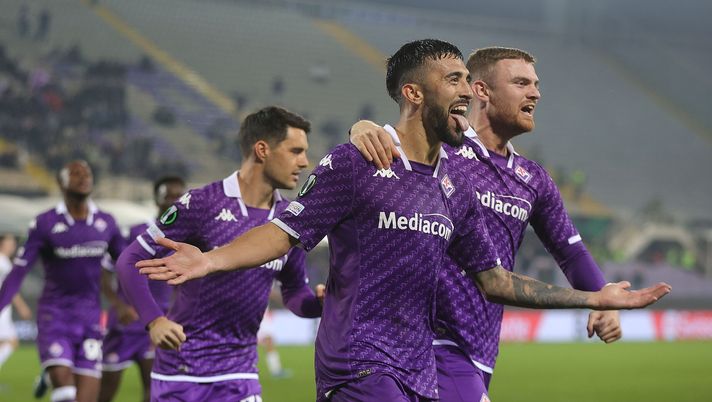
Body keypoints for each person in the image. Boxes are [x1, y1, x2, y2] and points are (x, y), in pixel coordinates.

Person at [136, 40, 671, 402]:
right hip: (364, 363)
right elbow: (284, 233)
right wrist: (209, 260)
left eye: (467, 79)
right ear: (418, 93)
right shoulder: (366, 159)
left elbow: (498, 281)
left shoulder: (457, 185)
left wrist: (596, 297)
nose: (467, 91)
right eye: (455, 80)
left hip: (426, 366)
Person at [348, 46, 623, 401]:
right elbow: (394, 139)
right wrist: (363, 128)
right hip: (427, 341)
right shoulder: (444, 150)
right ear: (481, 91)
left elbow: (570, 253)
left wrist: (603, 300)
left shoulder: (532, 179)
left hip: (479, 348)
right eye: (521, 83)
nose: (535, 93)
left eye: (536, 84)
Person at [116, 106, 324, 401]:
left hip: (239, 374)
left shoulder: (289, 218)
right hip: (181, 371)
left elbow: (293, 291)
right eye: (295, 151)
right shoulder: (202, 204)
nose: (304, 162)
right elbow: (129, 260)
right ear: (262, 150)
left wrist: (319, 304)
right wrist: (155, 320)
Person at [0, 160, 125, 402]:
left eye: (87, 173)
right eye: (76, 174)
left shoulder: (106, 223)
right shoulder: (45, 223)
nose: (83, 177)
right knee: (66, 390)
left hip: (90, 319)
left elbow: (127, 261)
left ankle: (48, 375)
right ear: (61, 183)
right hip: (54, 317)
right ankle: (53, 373)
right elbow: (19, 271)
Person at [98, 176, 186, 402]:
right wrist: (119, 305)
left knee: (153, 387)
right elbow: (104, 272)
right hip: (126, 322)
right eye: (170, 196)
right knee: (106, 391)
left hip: (159, 322)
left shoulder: (187, 238)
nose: (176, 201)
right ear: (157, 200)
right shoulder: (137, 233)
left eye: (180, 196)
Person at [0, 234, 32, 372]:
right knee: (12, 341)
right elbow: (10, 288)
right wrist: (22, 307)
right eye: (10, 243)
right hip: (2, 307)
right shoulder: (3, 262)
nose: (13, 247)